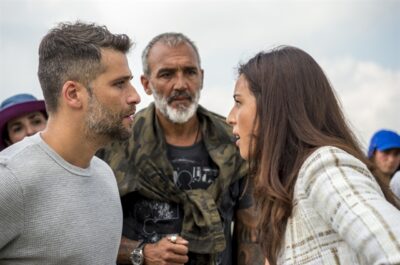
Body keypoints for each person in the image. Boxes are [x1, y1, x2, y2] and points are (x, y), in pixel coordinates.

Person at [226, 46, 400, 265]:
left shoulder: (323, 167)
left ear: (273, 106)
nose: (230, 117)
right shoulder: (290, 187)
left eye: (238, 102)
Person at [99, 32, 262, 265]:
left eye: (189, 72)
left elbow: (251, 235)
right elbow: (90, 234)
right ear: (146, 84)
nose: (180, 84)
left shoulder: (234, 142)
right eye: (166, 74)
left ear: (201, 78)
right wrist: (143, 253)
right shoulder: (117, 144)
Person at [0, 21, 140, 264]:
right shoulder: (10, 180)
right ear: (73, 94)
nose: (135, 96)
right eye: (120, 83)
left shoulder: (104, 175)